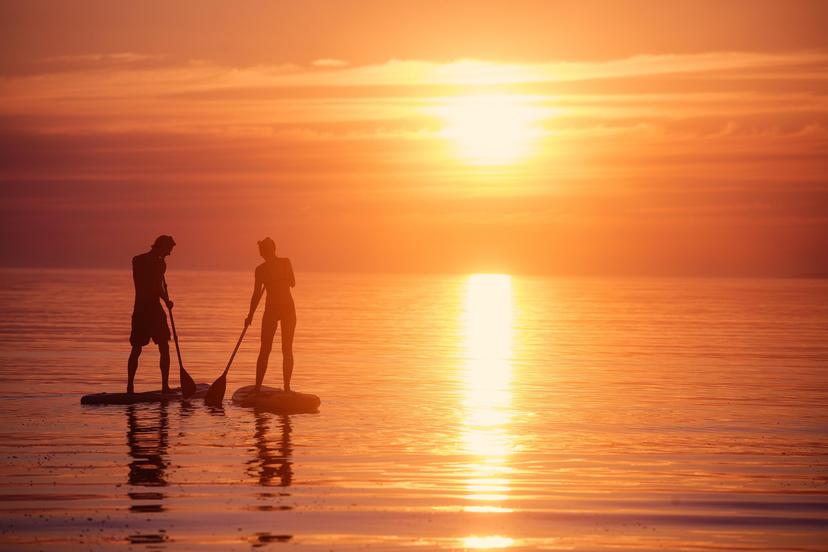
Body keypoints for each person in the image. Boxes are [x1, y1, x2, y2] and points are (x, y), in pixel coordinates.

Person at [245, 238, 296, 392]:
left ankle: (283, 387)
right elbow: (292, 283)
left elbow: (291, 282)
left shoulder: (269, 267)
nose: (262, 253)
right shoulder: (264, 269)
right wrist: (250, 315)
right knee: (270, 349)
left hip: (285, 309)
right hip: (274, 309)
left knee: (283, 349)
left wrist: (274, 281)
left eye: (263, 250)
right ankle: (261, 387)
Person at [127, 235, 175, 394]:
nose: (169, 254)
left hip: (155, 308)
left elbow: (158, 287)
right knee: (136, 348)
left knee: (164, 347)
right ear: (161, 246)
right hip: (142, 310)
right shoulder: (138, 261)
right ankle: (130, 387)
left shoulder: (161, 264)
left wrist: (166, 300)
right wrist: (163, 295)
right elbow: (147, 286)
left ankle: (164, 386)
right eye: (168, 250)